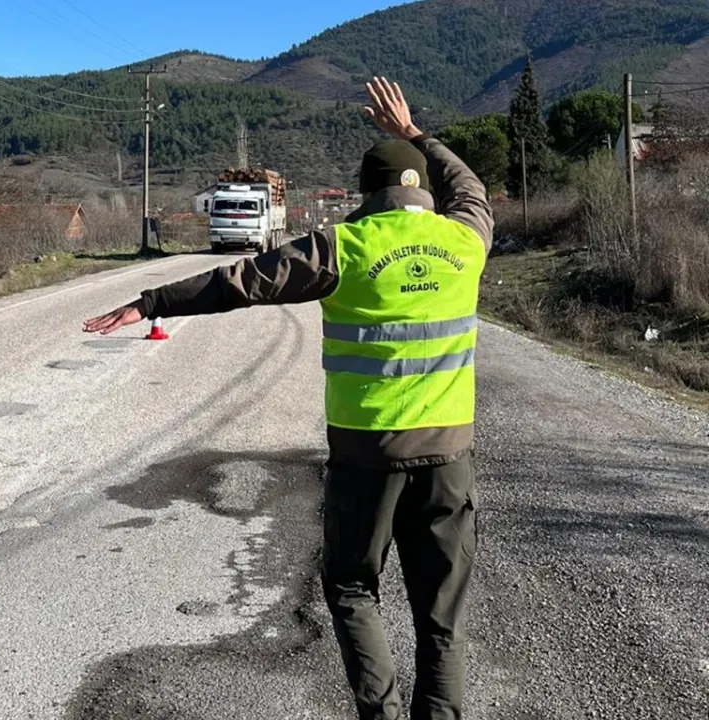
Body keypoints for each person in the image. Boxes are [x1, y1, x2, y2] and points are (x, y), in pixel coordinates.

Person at [83, 77, 494, 720]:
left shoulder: (342, 248)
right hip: (449, 456)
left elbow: (239, 281)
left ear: (367, 193)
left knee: (353, 586)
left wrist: (154, 301)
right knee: (442, 613)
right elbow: (470, 188)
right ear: (424, 193)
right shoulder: (467, 240)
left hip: (366, 457)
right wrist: (414, 133)